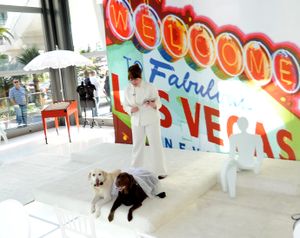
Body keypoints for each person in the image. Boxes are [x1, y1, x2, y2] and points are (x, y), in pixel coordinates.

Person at [122, 64, 167, 179]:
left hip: (151, 118)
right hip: (136, 120)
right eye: (131, 79)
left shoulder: (150, 87)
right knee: (137, 145)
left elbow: (159, 103)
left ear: (140, 77)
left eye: (135, 79)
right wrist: (130, 109)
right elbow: (124, 105)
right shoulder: (127, 89)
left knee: (155, 144)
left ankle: (160, 171)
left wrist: (153, 104)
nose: (133, 82)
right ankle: (135, 171)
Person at [220, 117, 264, 198]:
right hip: (244, 163)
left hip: (248, 163)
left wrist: (257, 165)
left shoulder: (235, 137)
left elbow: (232, 155)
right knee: (229, 166)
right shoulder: (255, 138)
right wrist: (258, 165)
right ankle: (227, 190)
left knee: (230, 166)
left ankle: (229, 191)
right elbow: (260, 156)